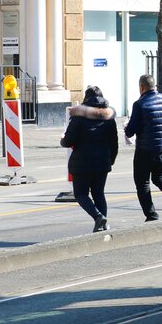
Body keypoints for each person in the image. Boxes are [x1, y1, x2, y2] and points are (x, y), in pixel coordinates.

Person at [124, 74, 162, 221]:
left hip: (144, 151)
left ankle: (151, 215)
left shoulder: (139, 104)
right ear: (154, 86)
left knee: (142, 183)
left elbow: (131, 131)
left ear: (141, 87)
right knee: (159, 176)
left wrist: (126, 128)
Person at [60, 86, 119, 233]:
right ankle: (103, 225)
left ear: (86, 98)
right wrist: (110, 160)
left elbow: (68, 141)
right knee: (99, 193)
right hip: (102, 163)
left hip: (82, 163)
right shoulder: (109, 117)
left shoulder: (79, 116)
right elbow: (114, 143)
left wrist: (62, 140)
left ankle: (98, 217)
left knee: (81, 194)